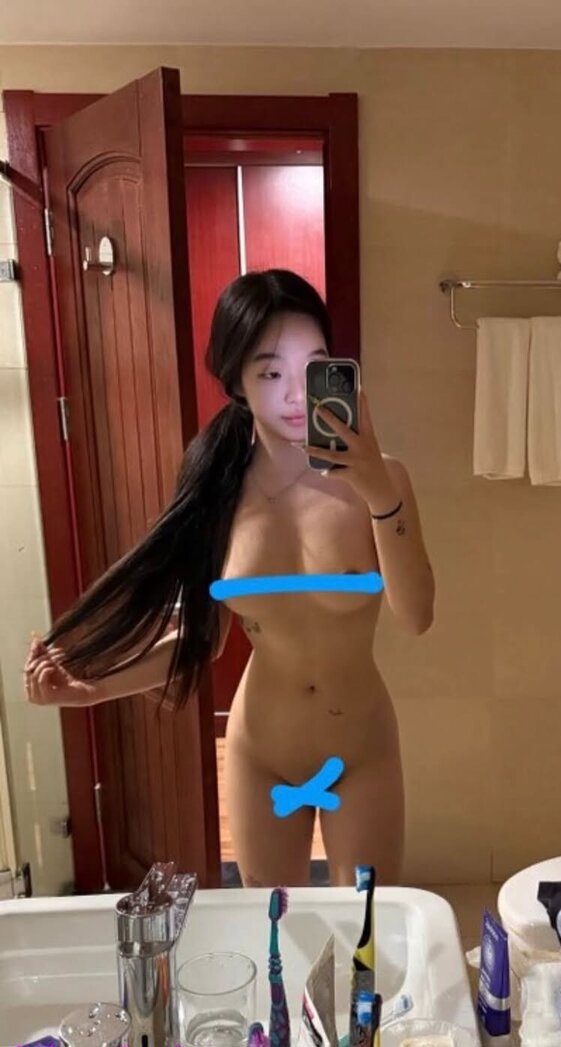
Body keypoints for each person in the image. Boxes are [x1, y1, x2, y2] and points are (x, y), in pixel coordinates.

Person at [23, 269, 435, 887]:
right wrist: (91, 689)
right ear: (236, 381)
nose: (294, 394)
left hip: (361, 751)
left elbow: (417, 615)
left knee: (367, 933)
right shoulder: (216, 490)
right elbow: (201, 640)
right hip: (260, 752)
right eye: (270, 373)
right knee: (271, 928)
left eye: (312, 367)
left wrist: (378, 492)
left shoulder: (384, 479)